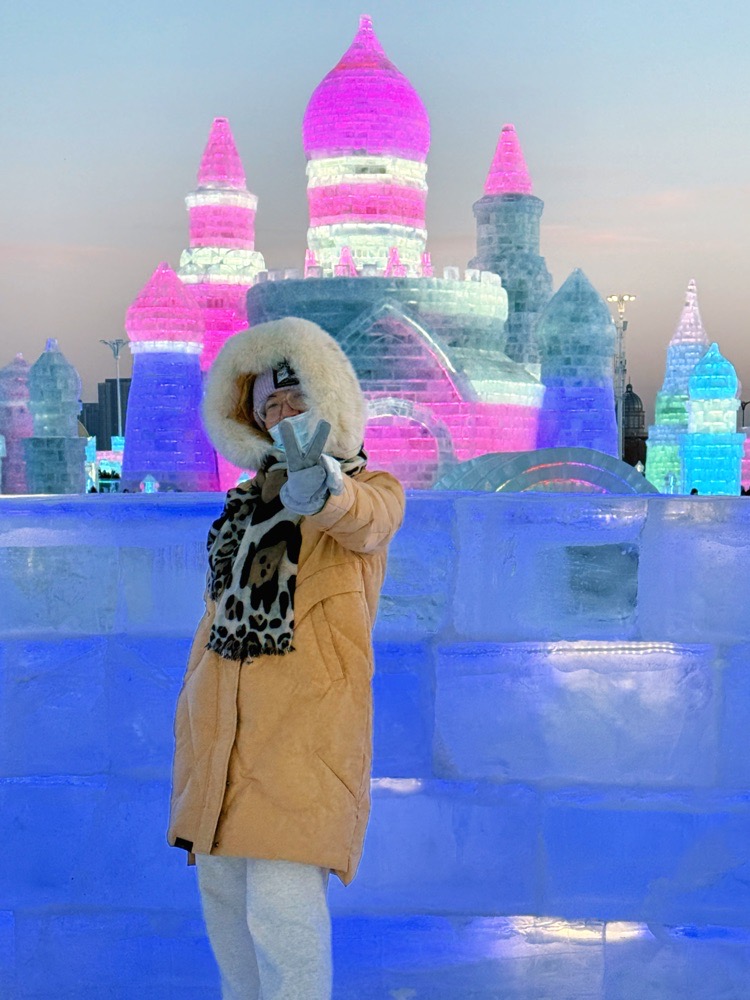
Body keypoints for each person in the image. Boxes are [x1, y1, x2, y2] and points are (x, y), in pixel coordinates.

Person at [167, 317, 405, 1000]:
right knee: (227, 916)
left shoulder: (369, 487)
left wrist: (322, 484)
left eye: (296, 396)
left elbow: (363, 519)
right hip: (221, 740)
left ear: (329, 396)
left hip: (301, 742)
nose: (282, 413)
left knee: (284, 919)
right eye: (268, 405)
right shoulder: (243, 508)